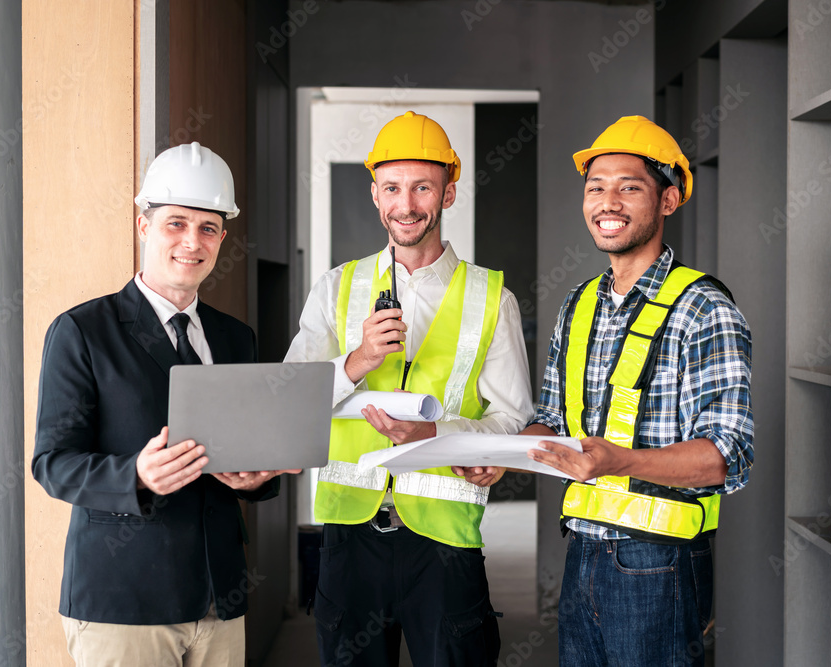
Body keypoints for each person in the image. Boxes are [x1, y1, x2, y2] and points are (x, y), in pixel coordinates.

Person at [285, 110, 533, 666]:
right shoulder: (335, 290)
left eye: (423, 186)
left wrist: (436, 433)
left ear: (447, 193)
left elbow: (511, 419)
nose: (407, 203)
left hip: (445, 542)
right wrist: (357, 361)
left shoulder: (493, 299)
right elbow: (288, 404)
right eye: (393, 187)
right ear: (375, 195)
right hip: (349, 534)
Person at [33, 142, 295, 667]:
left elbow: (243, 445)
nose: (191, 242)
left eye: (208, 228)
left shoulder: (234, 337)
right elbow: (52, 464)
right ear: (144, 226)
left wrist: (258, 478)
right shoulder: (83, 331)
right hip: (123, 600)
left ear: (222, 237)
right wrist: (136, 474)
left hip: (220, 598)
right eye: (176, 223)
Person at [522, 116, 754, 666]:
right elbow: (551, 419)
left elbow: (726, 457)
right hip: (580, 553)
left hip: (661, 563)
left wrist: (617, 461)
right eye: (596, 186)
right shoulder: (577, 305)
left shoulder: (704, 309)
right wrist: (503, 457)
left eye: (630, 187)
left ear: (668, 201)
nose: (609, 201)